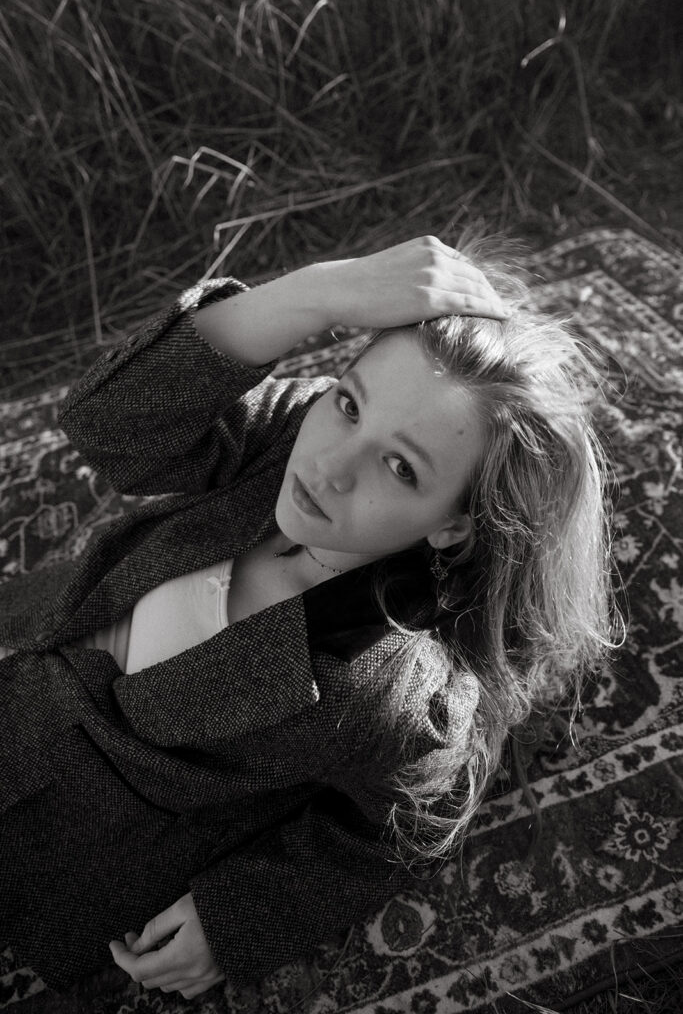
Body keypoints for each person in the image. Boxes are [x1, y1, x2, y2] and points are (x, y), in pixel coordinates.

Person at [0, 235, 615, 1000]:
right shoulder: (292, 429)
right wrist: (317, 292)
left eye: (399, 467)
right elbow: (109, 426)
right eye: (349, 402)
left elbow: (404, 833)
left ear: (452, 526)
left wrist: (236, 917)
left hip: (54, 849)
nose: (327, 464)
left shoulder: (387, 693)